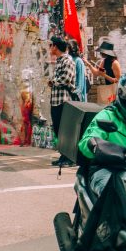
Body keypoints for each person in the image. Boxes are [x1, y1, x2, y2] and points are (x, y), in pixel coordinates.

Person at [48, 35, 76, 166]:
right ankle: (63, 156)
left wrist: (52, 82)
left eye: (51, 45)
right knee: (59, 130)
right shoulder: (59, 61)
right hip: (55, 101)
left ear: (56, 47)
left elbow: (66, 79)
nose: (50, 48)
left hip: (64, 101)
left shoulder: (68, 60)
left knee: (65, 130)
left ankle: (69, 158)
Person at [67, 39, 92, 103]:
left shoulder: (78, 61)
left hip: (77, 98)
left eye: (67, 49)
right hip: (69, 97)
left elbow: (80, 85)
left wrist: (74, 94)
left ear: (71, 49)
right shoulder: (68, 60)